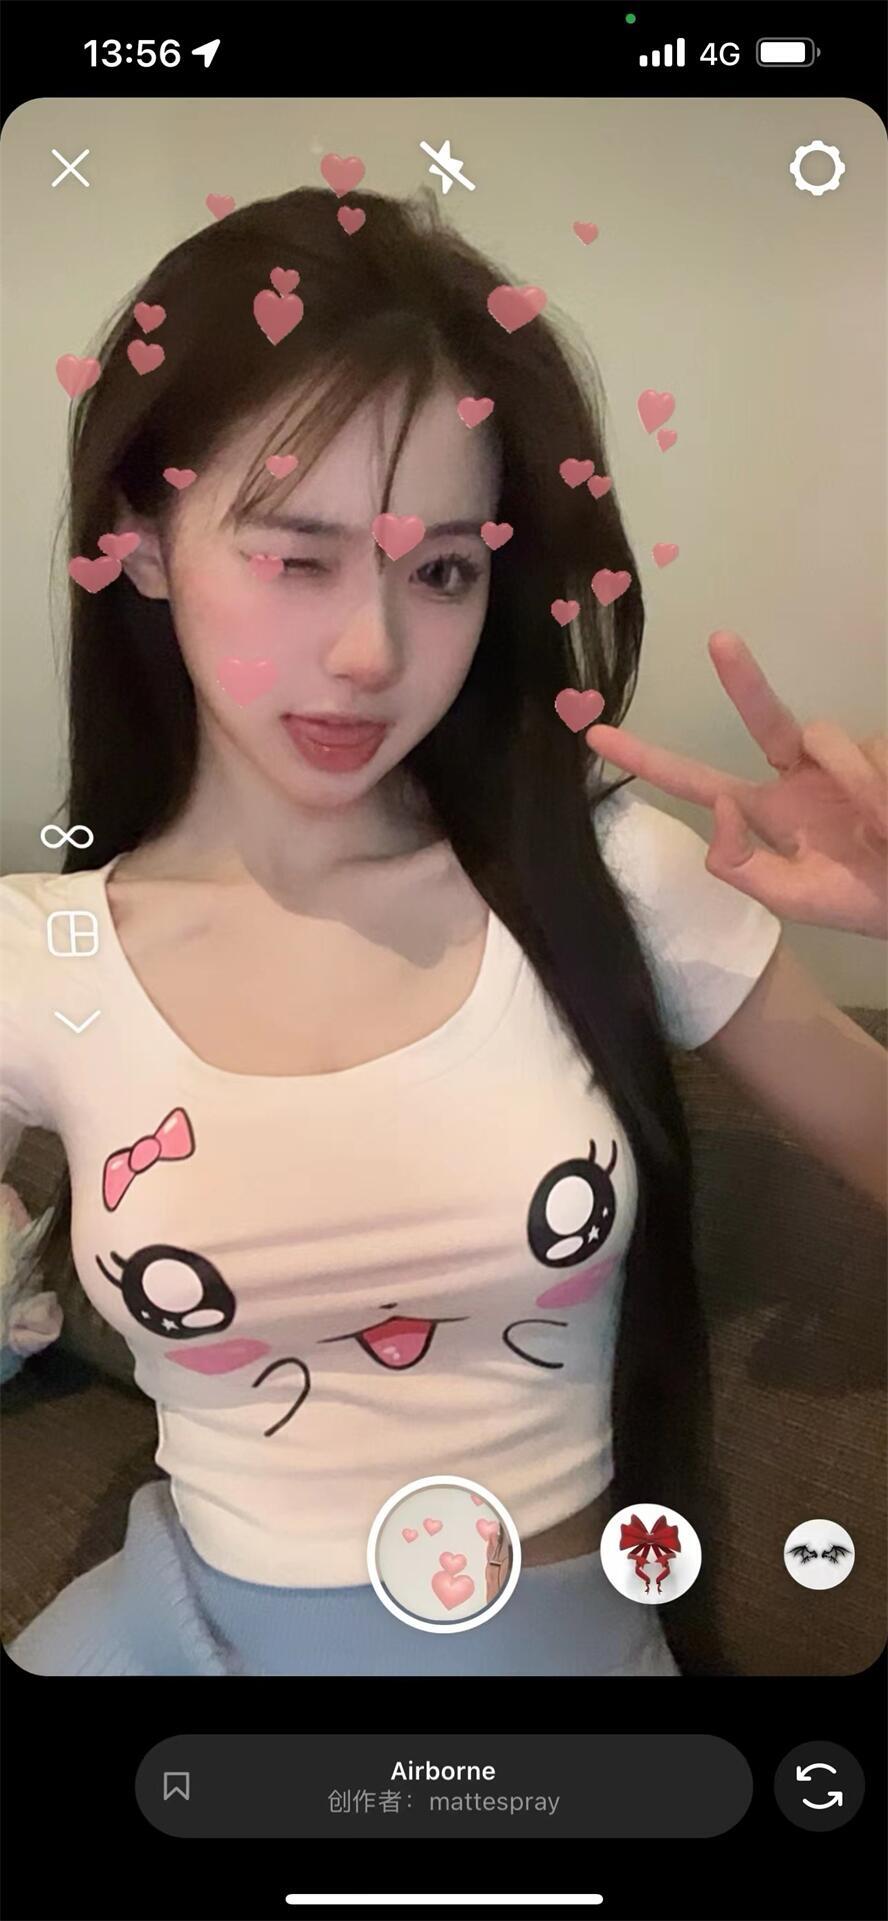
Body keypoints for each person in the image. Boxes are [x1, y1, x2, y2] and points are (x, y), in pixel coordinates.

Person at [2, 183, 884, 1677]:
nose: (372, 651)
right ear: (141, 545)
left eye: (444, 570)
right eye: (296, 556)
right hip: (175, 1644)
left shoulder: (610, 876)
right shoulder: (41, 960)